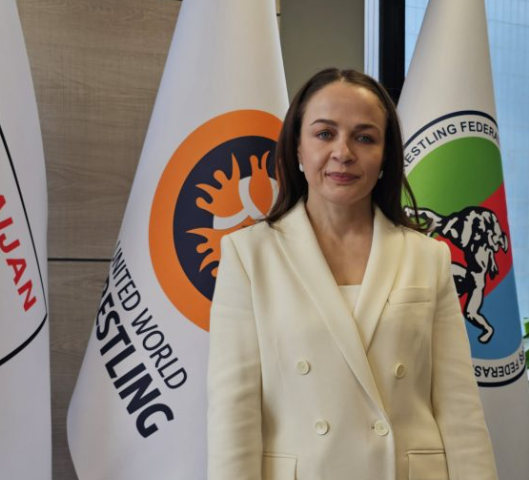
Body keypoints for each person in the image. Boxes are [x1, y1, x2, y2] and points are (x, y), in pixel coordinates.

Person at [207, 68, 498, 480]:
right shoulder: (249, 255)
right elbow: (233, 413)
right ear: (297, 148)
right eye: (325, 134)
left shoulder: (428, 256)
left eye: (364, 138)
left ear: (385, 156)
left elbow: (459, 406)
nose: (343, 152)